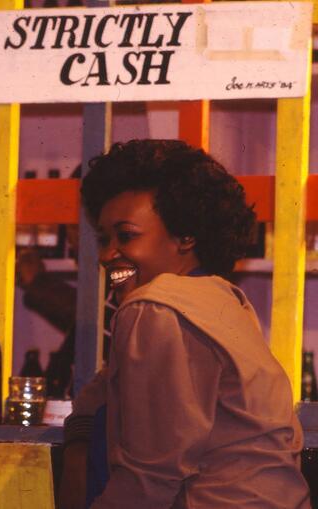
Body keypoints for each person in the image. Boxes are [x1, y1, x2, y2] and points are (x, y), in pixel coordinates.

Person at [60, 139, 310, 508]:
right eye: (104, 238)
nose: (105, 254)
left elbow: (151, 476)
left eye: (126, 235)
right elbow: (108, 386)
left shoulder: (155, 307)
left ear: (186, 236)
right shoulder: (221, 299)